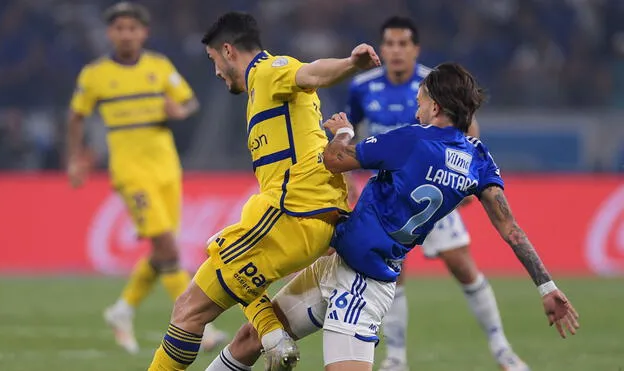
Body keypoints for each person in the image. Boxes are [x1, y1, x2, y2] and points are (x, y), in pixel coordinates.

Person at [203, 63, 580, 371]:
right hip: (335, 265)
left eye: (420, 102)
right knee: (250, 339)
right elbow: (511, 230)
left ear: (436, 108)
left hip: (363, 284)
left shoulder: (414, 139)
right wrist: (546, 287)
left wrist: (343, 131)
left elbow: (333, 159)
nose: (417, 109)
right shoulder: (479, 161)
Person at [146, 12, 381, 371]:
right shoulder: (267, 95)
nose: (216, 72)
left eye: (213, 61)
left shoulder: (268, 70)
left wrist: (351, 63)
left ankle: (271, 333)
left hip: (292, 214)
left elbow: (312, 72)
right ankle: (272, 335)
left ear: (227, 50)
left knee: (194, 300)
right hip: (309, 220)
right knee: (207, 289)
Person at [345, 16, 526, 371]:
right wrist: (351, 178)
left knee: (463, 266)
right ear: (382, 49)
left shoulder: (435, 84)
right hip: (389, 194)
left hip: (434, 188)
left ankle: (502, 349)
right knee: (394, 273)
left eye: (403, 44)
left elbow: (468, 126)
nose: (396, 51)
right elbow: (352, 131)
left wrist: (470, 175)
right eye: (390, 44)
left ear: (415, 49)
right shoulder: (362, 87)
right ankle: (396, 358)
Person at [67, 2, 227, 354]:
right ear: (110, 33)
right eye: (119, 28)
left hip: (166, 167)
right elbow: (76, 116)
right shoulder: (94, 74)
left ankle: (122, 310)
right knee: (168, 247)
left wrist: (178, 110)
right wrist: (75, 158)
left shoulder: (159, 67)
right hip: (130, 171)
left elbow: (189, 103)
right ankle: (199, 324)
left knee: (161, 249)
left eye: (133, 28)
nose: (126, 34)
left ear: (144, 33)